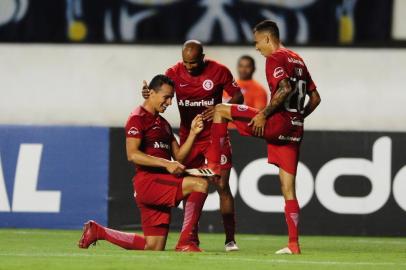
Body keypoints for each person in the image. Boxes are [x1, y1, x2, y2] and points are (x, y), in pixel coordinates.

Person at [205, 20, 321, 254]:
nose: (257, 47)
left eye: (257, 42)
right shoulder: (298, 58)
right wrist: (298, 117)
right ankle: (293, 244)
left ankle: (215, 165)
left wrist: (264, 115)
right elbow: (316, 98)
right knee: (288, 188)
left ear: (268, 38)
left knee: (220, 110)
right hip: (294, 129)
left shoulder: (275, 58)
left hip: (276, 123)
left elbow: (285, 88)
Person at [78, 75, 209, 252]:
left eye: (172, 98)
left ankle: (98, 231)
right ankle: (186, 241)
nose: (170, 102)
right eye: (166, 97)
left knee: (153, 247)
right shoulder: (137, 118)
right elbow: (132, 155)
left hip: (160, 183)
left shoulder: (164, 124)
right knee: (199, 185)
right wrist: (166, 163)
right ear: (152, 94)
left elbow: (179, 157)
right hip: (149, 182)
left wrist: (193, 133)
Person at [142, 40, 243, 251]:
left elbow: (238, 96)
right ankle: (190, 238)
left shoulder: (219, 71)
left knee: (222, 185)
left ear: (203, 57)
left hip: (216, 136)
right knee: (191, 185)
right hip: (191, 137)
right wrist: (149, 94)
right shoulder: (174, 72)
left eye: (194, 63)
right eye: (186, 62)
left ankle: (230, 239)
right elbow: (161, 91)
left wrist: (219, 107)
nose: (189, 67)